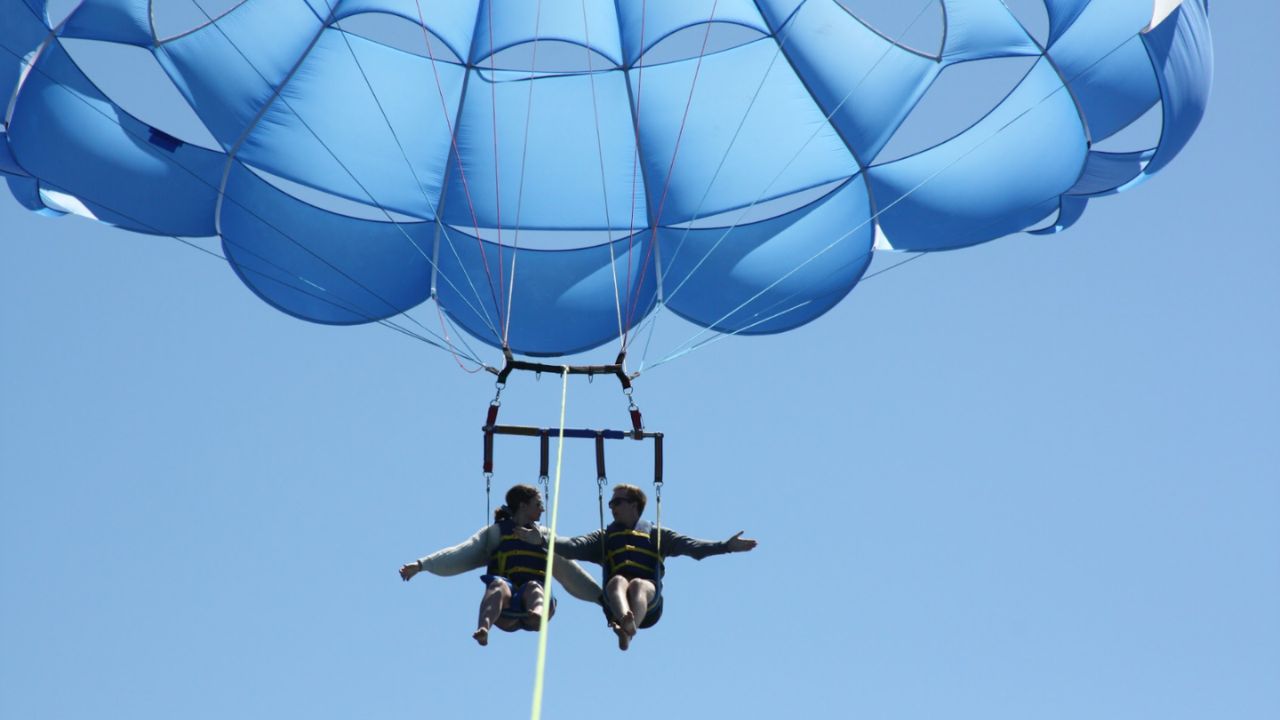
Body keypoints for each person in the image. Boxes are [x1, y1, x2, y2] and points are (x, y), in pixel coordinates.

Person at [517, 483, 757, 651]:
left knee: (639, 585)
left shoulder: (657, 534)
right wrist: (543, 540)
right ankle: (625, 623)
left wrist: (726, 546)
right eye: (610, 503)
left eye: (617, 502)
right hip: (617, 600)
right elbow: (572, 546)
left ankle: (629, 628)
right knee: (618, 581)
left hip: (649, 604)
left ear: (634, 505)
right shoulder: (606, 536)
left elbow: (693, 547)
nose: (611, 507)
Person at [399, 484, 602, 647]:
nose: (542, 508)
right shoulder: (497, 533)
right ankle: (483, 628)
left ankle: (536, 614)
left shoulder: (545, 537)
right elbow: (462, 553)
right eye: (537, 503)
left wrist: (601, 599)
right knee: (497, 585)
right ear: (523, 505)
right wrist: (422, 565)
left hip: (536, 602)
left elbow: (571, 572)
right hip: (505, 611)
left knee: (533, 586)